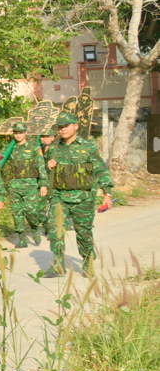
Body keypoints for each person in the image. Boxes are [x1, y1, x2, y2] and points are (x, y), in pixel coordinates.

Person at [45, 111, 113, 276]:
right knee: (55, 229)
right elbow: (45, 173)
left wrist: (107, 193)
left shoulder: (88, 147)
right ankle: (59, 263)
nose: (63, 130)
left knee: (83, 232)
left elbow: (100, 170)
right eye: (60, 127)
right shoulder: (53, 147)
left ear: (75, 126)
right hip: (59, 196)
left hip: (83, 197)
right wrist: (48, 166)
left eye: (66, 126)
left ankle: (87, 260)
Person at [1, 122, 47, 248]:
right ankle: (22, 238)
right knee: (17, 212)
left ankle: (34, 228)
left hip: (30, 184)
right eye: (16, 132)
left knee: (31, 210)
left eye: (21, 132)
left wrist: (43, 184)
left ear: (25, 132)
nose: (18, 135)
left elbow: (40, 165)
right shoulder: (10, 147)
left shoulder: (34, 146)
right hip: (14, 184)